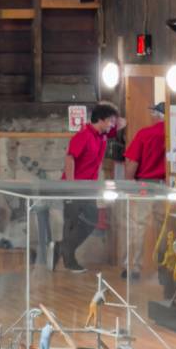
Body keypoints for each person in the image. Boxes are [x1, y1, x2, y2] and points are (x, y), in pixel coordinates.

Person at [59, 103, 124, 269]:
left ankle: (62, 248)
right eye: (110, 121)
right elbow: (69, 158)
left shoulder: (102, 134)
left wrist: (111, 110)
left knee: (92, 219)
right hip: (74, 187)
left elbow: (123, 123)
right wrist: (72, 185)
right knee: (72, 222)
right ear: (101, 120)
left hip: (89, 187)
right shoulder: (83, 135)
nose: (112, 124)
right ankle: (69, 259)